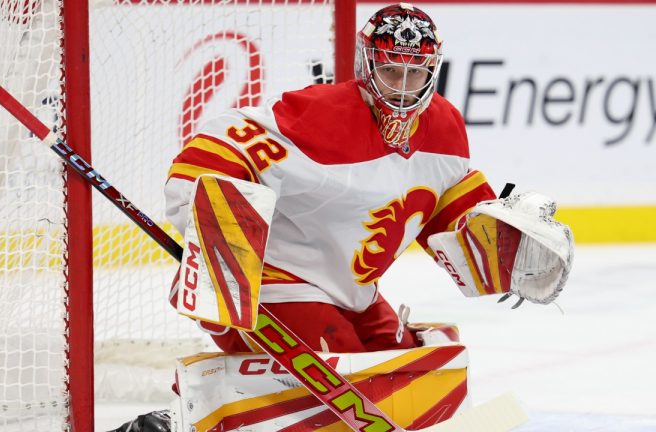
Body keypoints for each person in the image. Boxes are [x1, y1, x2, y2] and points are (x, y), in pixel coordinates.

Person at [111, 3, 572, 431]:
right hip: (272, 283)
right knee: (344, 390)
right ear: (366, 65)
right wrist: (214, 239)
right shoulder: (323, 116)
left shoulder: (446, 126)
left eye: (417, 73)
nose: (403, 86)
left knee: (414, 374)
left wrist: (502, 247)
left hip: (355, 294)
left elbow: (448, 205)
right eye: (391, 70)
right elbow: (215, 146)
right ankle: (174, 424)